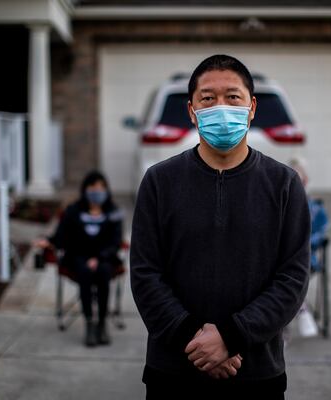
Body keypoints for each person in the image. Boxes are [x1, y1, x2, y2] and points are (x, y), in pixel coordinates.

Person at [130, 54, 311, 400]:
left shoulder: (284, 184)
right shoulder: (159, 181)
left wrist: (231, 336)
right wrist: (195, 341)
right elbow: (145, 274)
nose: (221, 107)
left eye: (233, 97)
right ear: (192, 111)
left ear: (252, 107)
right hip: (174, 370)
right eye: (208, 99)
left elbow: (293, 277)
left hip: (256, 371)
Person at [36, 171, 123, 347]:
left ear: (106, 190)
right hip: (78, 257)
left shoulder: (113, 212)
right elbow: (62, 235)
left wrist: (99, 258)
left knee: (104, 271)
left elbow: (116, 241)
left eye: (100, 188)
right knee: (84, 271)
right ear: (85, 189)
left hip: (105, 258)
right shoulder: (73, 211)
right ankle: (89, 324)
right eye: (93, 188)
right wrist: (49, 241)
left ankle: (101, 324)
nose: (96, 192)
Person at [289, 158, 329, 338]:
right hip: (277, 260)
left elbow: (319, 234)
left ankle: (299, 310)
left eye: (301, 176)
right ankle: (301, 309)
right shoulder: (278, 202)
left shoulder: (316, 208)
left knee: (288, 275)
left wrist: (300, 242)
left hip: (305, 259)